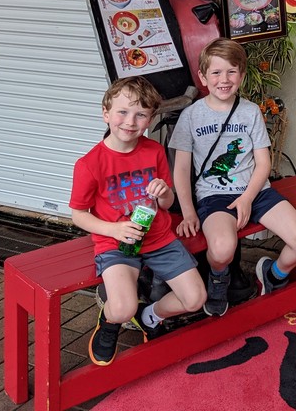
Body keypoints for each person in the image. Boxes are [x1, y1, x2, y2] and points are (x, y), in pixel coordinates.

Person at [170, 37, 296, 317]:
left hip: (256, 191)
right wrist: (188, 212)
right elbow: (181, 169)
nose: (223, 79)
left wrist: (248, 198)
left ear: (242, 75)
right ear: (203, 77)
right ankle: (217, 279)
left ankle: (273, 274)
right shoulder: (190, 116)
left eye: (231, 72)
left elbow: (263, 162)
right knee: (223, 249)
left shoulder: (250, 112)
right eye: (215, 72)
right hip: (215, 194)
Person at [70, 77, 206, 366]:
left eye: (141, 114)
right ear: (106, 113)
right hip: (116, 243)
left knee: (195, 299)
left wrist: (165, 193)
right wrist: (114, 229)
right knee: (121, 308)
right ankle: (110, 323)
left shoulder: (154, 151)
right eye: (122, 112)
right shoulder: (89, 164)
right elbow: (78, 215)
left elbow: (167, 204)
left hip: (158, 238)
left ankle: (150, 315)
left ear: (149, 120)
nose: (130, 122)